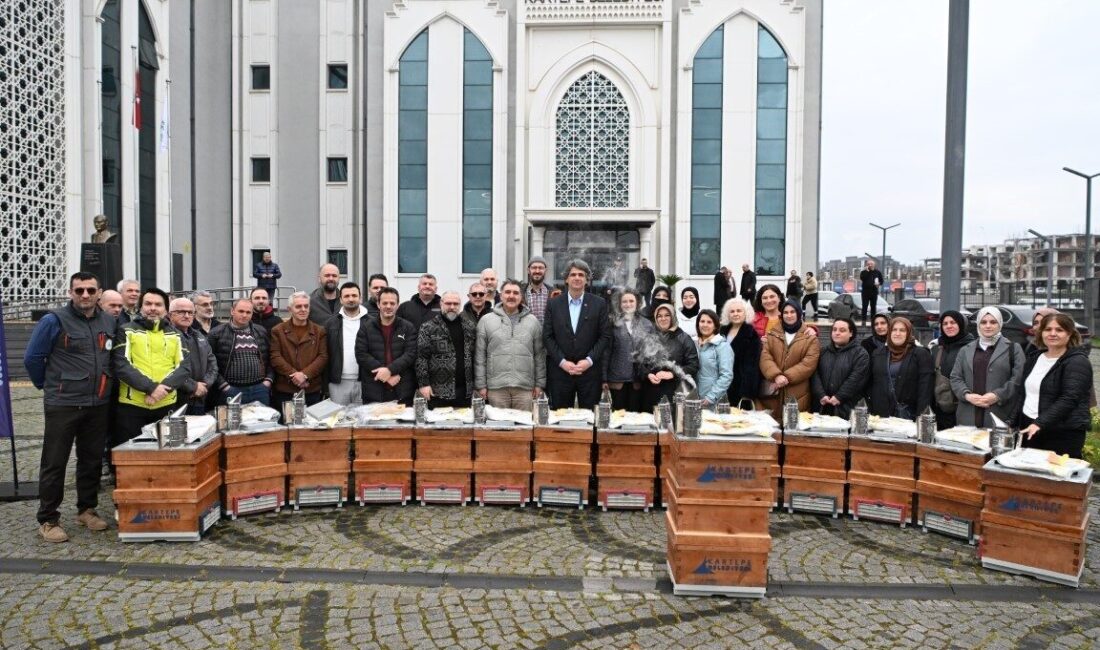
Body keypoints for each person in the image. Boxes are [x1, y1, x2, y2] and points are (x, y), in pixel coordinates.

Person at [24, 272, 116, 542]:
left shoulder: (109, 321)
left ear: (99, 293)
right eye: (79, 290)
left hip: (97, 403)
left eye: (90, 290)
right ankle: (48, 519)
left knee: (90, 459)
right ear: (70, 292)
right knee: (54, 462)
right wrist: (50, 386)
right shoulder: (53, 321)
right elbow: (32, 358)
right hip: (63, 403)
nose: (85, 295)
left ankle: (86, 509)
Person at [111, 288, 192, 444]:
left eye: (158, 304)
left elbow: (184, 367)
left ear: (166, 310)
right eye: (148, 303)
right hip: (132, 407)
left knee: (166, 457)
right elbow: (121, 365)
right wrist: (151, 388)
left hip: (166, 405)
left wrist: (161, 390)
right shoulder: (126, 330)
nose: (153, 308)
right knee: (131, 458)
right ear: (141, 307)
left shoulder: (177, 334)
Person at [1018, 313, 1093, 457]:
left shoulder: (1077, 362)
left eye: (1059, 330)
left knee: (1055, 476)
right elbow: (1023, 394)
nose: (1052, 334)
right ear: (1041, 333)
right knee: (1029, 475)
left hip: (1062, 432)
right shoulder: (1034, 358)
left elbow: (1070, 398)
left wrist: (1040, 423)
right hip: (1030, 427)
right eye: (1048, 329)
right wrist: (1012, 422)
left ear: (1069, 333)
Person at [543, 259, 611, 409]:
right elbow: (547, 336)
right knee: (560, 421)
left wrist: (589, 360)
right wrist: (562, 362)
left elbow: (605, 336)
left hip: (590, 373)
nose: (577, 278)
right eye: (573, 274)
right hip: (560, 372)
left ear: (587, 280)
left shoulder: (599, 304)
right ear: (566, 279)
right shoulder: (553, 304)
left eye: (581, 275)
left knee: (590, 419)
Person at [949, 306, 1025, 429]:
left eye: (993, 322)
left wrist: (997, 395)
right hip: (967, 413)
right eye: (983, 322)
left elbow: (1017, 379)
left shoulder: (1014, 348)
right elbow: (956, 377)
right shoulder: (965, 350)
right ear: (978, 324)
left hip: (998, 413)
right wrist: (967, 395)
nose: (988, 326)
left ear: (999, 324)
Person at [476, 280, 546, 410]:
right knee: (499, 428)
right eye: (507, 292)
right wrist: (481, 385)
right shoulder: (486, 321)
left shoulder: (533, 321)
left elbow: (539, 356)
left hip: (525, 389)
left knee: (523, 427)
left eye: (515, 293)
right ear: (501, 295)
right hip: (496, 388)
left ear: (521, 297)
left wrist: (539, 384)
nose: (511, 296)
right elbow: (480, 356)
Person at [269, 291, 329, 417]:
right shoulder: (277, 331)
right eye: (298, 306)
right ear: (289, 309)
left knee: (310, 429)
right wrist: (295, 376)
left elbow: (323, 356)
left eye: (306, 306)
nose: (303, 309)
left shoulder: (319, 331)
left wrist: (305, 375)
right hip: (285, 389)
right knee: (287, 429)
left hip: (311, 389)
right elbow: (275, 356)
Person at [758, 301, 820, 420]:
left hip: (798, 393)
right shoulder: (772, 334)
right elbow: (765, 357)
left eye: (792, 312)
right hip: (773, 391)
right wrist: (776, 375)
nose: (789, 315)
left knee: (794, 429)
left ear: (798, 314)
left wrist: (786, 377)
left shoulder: (810, 338)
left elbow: (809, 363)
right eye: (786, 312)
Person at [355, 287, 417, 405]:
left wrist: (390, 370)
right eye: (384, 303)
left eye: (392, 303)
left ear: (397, 305)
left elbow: (410, 354)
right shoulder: (366, 327)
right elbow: (361, 354)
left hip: (402, 390)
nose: (388, 306)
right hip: (374, 391)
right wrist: (386, 375)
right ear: (378, 304)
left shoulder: (408, 327)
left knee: (402, 423)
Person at [208, 298, 274, 405]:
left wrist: (268, 381)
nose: (244, 315)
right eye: (241, 311)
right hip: (231, 390)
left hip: (259, 389)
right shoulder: (216, 333)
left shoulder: (261, 331)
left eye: (248, 312)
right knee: (232, 421)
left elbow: (271, 358)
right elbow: (209, 363)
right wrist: (224, 386)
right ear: (232, 311)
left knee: (261, 421)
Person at [417, 291, 477, 408]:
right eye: (448, 303)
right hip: (437, 391)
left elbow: (475, 356)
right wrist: (424, 384)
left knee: (463, 424)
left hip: (465, 391)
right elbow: (421, 358)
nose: (452, 307)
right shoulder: (428, 327)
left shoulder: (470, 327)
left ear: (460, 305)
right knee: (438, 425)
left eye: (456, 304)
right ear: (441, 304)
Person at [866, 318, 932, 419]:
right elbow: (870, 384)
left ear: (909, 333)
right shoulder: (878, 353)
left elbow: (925, 389)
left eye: (902, 330)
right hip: (881, 415)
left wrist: (921, 417)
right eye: (894, 330)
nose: (897, 333)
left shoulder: (920, 354)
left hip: (908, 415)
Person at [638, 302, 699, 410]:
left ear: (673, 316)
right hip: (651, 392)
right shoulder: (649, 337)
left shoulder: (684, 338)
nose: (663, 318)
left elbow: (693, 365)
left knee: (671, 424)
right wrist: (647, 374)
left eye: (667, 315)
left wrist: (672, 373)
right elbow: (639, 363)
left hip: (675, 391)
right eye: (659, 316)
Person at [603, 289, 654, 412]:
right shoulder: (612, 323)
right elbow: (606, 352)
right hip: (616, 379)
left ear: (637, 303)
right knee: (618, 418)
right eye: (624, 301)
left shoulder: (647, 324)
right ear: (620, 304)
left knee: (636, 418)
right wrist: (603, 378)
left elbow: (651, 353)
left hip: (639, 381)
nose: (628, 304)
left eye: (631, 301)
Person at [168, 297, 218, 416]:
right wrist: (193, 387)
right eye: (181, 312)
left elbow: (213, 364)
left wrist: (204, 385)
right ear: (170, 315)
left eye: (190, 312)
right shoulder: (166, 336)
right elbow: (167, 368)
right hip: (176, 400)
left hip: (200, 398)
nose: (186, 315)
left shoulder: (199, 335)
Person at [811, 317, 870, 418]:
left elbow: (856, 378)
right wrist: (821, 394)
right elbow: (814, 374)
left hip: (846, 409)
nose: (837, 333)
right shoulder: (823, 351)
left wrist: (839, 396)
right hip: (822, 407)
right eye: (834, 330)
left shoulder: (860, 353)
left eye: (842, 330)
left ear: (851, 333)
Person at [926, 310, 974, 429]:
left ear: (961, 324)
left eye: (953, 322)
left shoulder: (971, 347)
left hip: (964, 407)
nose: (949, 326)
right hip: (940, 409)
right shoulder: (936, 347)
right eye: (945, 323)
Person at [326, 282, 369, 406]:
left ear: (360, 298)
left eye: (354, 295)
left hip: (365, 380)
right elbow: (326, 353)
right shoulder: (331, 323)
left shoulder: (372, 322)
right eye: (347, 296)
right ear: (341, 299)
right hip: (338, 382)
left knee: (362, 421)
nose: (351, 299)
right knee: (338, 420)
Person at [720, 297, 761, 408]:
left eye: (739, 311)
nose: (735, 314)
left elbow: (751, 367)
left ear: (745, 313)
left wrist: (746, 393)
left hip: (739, 387)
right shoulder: (722, 331)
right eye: (732, 311)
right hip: (720, 385)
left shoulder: (752, 335)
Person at [694, 309, 732, 409]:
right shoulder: (693, 344)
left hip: (713, 400)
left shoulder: (722, 346)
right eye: (702, 321)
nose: (705, 325)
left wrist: (711, 397)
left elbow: (726, 375)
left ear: (715, 325)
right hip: (694, 399)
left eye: (709, 322)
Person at [523, 256, 550, 323]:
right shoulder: (521, 293)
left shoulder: (553, 293)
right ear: (528, 270)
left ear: (545, 270)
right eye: (534, 268)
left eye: (540, 268)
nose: (537, 271)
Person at [859, 259, 884, 323]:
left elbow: (881, 281)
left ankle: (873, 321)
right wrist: (867, 271)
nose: (870, 265)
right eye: (868, 264)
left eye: (871, 264)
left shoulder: (877, 272)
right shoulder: (864, 272)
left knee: (873, 307)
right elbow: (862, 278)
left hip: (874, 292)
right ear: (867, 265)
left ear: (874, 265)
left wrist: (879, 283)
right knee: (864, 306)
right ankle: (863, 321)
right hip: (865, 292)